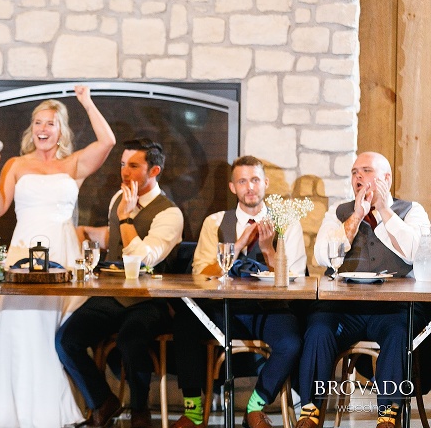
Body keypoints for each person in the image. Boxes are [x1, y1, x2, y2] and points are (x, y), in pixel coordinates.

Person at [0, 87, 116, 428]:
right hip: (25, 250)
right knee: (17, 325)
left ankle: (49, 412)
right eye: (37, 122)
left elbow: (108, 141)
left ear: (60, 130)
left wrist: (86, 101)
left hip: (62, 254)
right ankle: (11, 411)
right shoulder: (17, 164)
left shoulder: (73, 164)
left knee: (50, 331)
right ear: (31, 129)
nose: (42, 128)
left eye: (50, 123)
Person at [295, 152, 430, 428]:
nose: (358, 177)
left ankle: (388, 416)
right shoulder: (339, 212)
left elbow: (417, 253)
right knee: (318, 328)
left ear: (386, 179)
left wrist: (383, 211)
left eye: (366, 171)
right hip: (345, 307)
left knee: (399, 333)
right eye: (355, 172)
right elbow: (323, 255)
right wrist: (357, 216)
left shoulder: (412, 211)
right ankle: (310, 412)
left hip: (394, 308)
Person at [56, 138, 184, 428]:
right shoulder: (118, 199)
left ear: (154, 171)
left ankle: (140, 409)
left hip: (149, 300)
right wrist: (84, 232)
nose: (125, 171)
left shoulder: (170, 213)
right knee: (66, 339)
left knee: (131, 339)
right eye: (123, 164)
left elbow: (143, 258)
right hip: (110, 296)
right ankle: (103, 401)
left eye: (134, 165)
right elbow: (112, 237)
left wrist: (126, 218)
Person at [173, 156, 306, 428]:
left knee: (292, 342)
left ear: (265, 184)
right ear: (233, 187)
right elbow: (201, 274)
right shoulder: (215, 222)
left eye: (255, 180)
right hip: (223, 311)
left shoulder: (287, 223)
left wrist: (268, 249)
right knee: (184, 324)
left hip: (269, 311)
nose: (250, 187)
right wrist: (239, 244)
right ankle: (194, 411)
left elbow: (295, 277)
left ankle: (256, 406)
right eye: (242, 181)